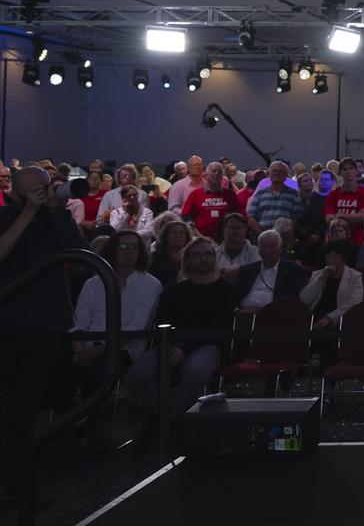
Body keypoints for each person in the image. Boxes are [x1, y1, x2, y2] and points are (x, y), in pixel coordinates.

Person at [0, 167, 87, 503]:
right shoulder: (6, 215)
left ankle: (21, 476)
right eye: (33, 191)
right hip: (8, 322)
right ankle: (14, 477)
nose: (42, 193)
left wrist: (55, 212)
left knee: (30, 403)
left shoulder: (57, 217)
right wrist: (28, 213)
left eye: (45, 188)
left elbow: (78, 253)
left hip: (48, 323)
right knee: (11, 404)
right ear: (16, 194)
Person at [122, 237, 236, 428]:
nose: (203, 259)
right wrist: (170, 347)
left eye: (208, 254)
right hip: (170, 343)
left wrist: (184, 349)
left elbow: (219, 328)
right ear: (188, 259)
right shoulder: (173, 292)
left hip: (207, 345)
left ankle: (165, 421)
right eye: (197, 255)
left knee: (196, 372)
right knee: (135, 377)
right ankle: (172, 416)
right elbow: (162, 322)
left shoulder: (227, 290)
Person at [69, 230, 162, 430]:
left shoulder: (150, 285)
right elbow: (79, 322)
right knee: (57, 367)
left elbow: (135, 329)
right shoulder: (93, 283)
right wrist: (78, 347)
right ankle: (67, 422)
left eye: (134, 246)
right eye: (122, 246)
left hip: (124, 349)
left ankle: (90, 425)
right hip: (87, 347)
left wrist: (97, 350)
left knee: (97, 371)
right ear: (112, 249)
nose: (129, 251)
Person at [301, 240, 364, 366]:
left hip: (339, 319)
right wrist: (321, 280)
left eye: (335, 257)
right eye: (328, 257)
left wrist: (329, 318)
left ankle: (328, 374)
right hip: (315, 317)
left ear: (343, 258)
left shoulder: (355, 277)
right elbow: (305, 299)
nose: (331, 260)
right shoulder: (317, 275)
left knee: (329, 335)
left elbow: (354, 303)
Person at [233, 230, 309, 313]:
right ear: (259, 250)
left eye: (272, 246)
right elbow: (233, 297)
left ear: (280, 249)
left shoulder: (294, 271)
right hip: (243, 314)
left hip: (275, 316)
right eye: (263, 246)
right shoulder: (246, 270)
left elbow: (294, 302)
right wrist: (238, 311)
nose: (267, 250)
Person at [180, 161, 241, 238]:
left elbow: (238, 216)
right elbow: (186, 218)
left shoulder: (230, 195)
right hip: (200, 239)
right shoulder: (195, 194)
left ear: (222, 175)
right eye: (214, 171)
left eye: (219, 172)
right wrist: (196, 234)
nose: (216, 173)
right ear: (206, 175)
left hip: (226, 240)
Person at [325, 158, 364, 247]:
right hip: (337, 243)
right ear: (340, 173)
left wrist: (340, 215)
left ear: (356, 171)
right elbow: (329, 219)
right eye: (345, 169)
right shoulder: (333, 195)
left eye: (351, 168)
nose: (348, 172)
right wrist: (355, 217)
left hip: (358, 243)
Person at [247, 161, 303, 236]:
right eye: (274, 171)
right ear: (269, 173)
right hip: (261, 238)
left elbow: (296, 218)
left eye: (280, 171)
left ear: (286, 176)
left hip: (284, 239)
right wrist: (263, 234)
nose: (276, 173)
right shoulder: (260, 194)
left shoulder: (293, 195)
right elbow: (251, 218)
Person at [215, 213, 260, 281]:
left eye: (240, 228)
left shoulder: (255, 251)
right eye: (232, 227)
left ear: (246, 230)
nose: (235, 231)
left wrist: (222, 273)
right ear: (224, 229)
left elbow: (254, 274)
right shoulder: (214, 253)